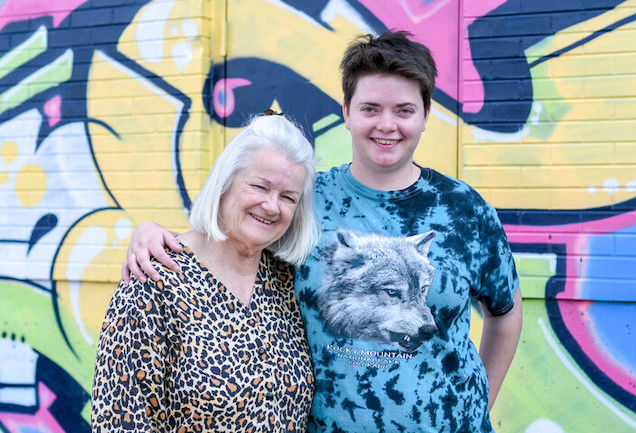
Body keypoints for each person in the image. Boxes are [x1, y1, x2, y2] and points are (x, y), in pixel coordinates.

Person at [122, 30, 523, 433]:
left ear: (424, 115)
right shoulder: (304, 201)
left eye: (404, 110)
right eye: (370, 108)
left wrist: (476, 406)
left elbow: (504, 312)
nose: (387, 125)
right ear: (347, 112)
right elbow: (233, 236)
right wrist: (154, 233)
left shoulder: (465, 210)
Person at [92, 112, 318, 432]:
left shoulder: (287, 282)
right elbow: (121, 422)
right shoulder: (153, 283)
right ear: (224, 182)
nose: (271, 206)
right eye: (259, 186)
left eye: (287, 197)